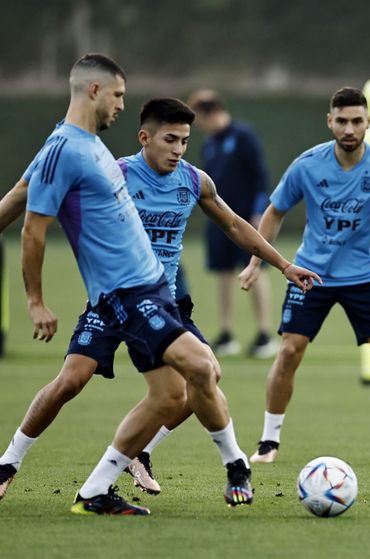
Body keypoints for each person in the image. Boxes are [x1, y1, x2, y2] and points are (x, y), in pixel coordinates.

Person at [4, 54, 314, 516]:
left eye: (186, 141)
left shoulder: (180, 176)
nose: (179, 149)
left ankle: (125, 466)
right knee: (76, 380)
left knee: (188, 384)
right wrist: (35, 300)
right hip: (119, 296)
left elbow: (233, 224)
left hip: (157, 296)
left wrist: (282, 264)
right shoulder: (101, 161)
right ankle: (12, 463)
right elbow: (27, 210)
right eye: (118, 95)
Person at [238, 87, 370, 465]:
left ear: (368, 123)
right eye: (342, 121)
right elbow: (274, 212)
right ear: (329, 121)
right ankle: (268, 442)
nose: (349, 128)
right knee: (288, 352)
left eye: (357, 121)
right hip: (310, 275)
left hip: (365, 277)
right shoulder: (307, 165)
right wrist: (256, 263)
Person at [187, 90, 276, 358]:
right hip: (218, 221)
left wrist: (259, 211)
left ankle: (264, 334)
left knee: (255, 271)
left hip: (247, 220)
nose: (199, 127)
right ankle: (226, 333)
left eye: (200, 119)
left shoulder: (243, 136)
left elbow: (261, 176)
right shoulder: (210, 144)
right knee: (223, 273)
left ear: (212, 112)